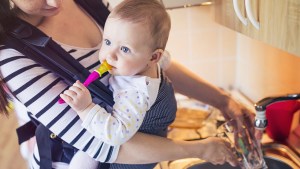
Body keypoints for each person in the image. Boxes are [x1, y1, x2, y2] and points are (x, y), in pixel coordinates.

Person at [0, 0, 254, 168]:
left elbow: (148, 64)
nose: (56, 2)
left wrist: (223, 101)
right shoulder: (12, 54)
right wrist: (202, 149)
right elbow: (107, 146)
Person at [61, 0, 176, 168]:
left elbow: (116, 134)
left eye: (125, 49)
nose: (110, 55)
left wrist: (85, 109)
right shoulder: (142, 66)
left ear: (153, 58)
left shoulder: (135, 91)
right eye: (107, 42)